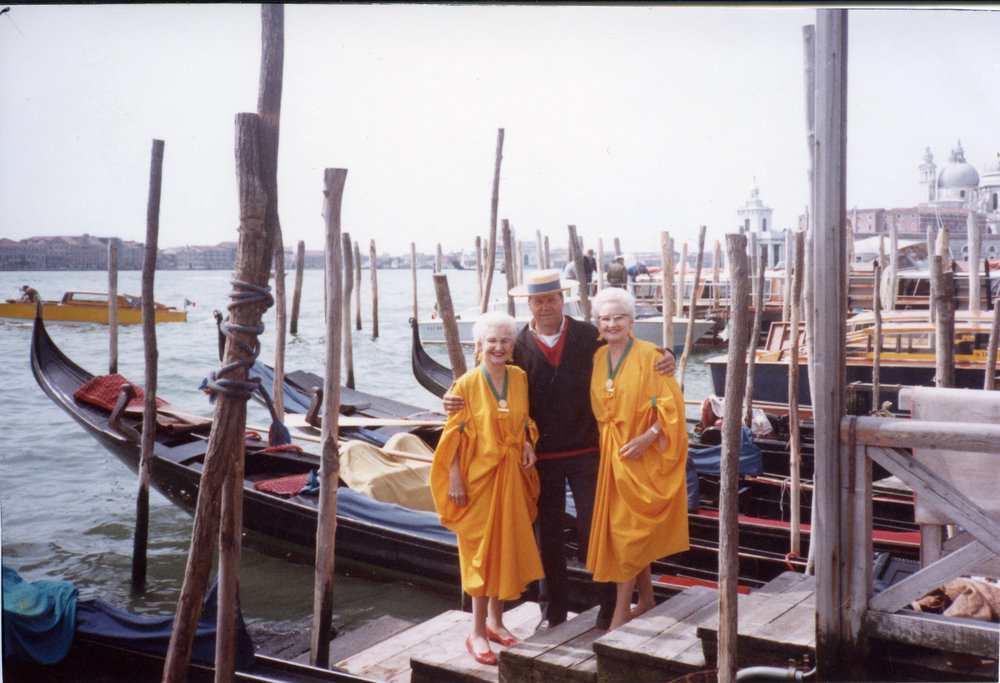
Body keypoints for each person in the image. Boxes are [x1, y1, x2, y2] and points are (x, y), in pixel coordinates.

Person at [443, 270, 675, 632]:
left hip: (589, 450)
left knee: (596, 530)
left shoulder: (589, 334)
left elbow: (629, 350)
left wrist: (668, 356)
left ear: (561, 300)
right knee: (546, 537)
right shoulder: (515, 344)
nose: (545, 305)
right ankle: (551, 613)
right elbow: (487, 380)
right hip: (540, 456)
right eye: (538, 300)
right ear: (528, 304)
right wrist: (451, 394)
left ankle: (608, 608)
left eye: (552, 298)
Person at [431, 311, 544, 665]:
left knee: (506, 546)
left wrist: (528, 442)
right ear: (479, 346)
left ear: (513, 346)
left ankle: (497, 621)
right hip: (476, 481)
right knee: (480, 554)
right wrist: (454, 480)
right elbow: (450, 439)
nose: (498, 347)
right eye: (491, 341)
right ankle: (476, 631)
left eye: (505, 341)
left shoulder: (519, 377)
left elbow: (525, 420)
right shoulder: (464, 385)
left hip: (512, 477)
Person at [586, 287, 689, 630]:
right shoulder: (599, 357)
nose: (611, 323)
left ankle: (620, 614)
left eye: (619, 317)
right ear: (597, 324)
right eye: (604, 318)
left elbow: (673, 405)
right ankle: (646, 598)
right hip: (611, 455)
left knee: (627, 532)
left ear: (631, 320)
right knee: (624, 531)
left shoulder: (652, 355)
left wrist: (648, 437)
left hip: (641, 456)